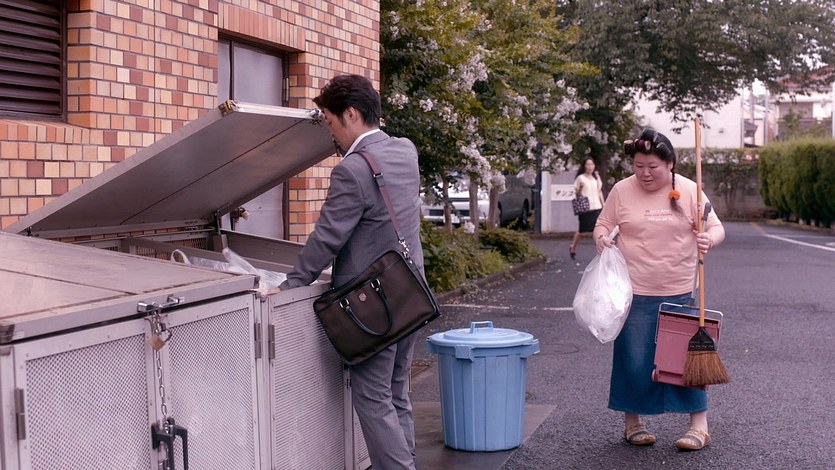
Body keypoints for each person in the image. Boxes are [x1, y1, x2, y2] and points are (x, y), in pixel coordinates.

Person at [277, 74, 424, 469]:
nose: (331, 134)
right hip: (411, 290)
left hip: (373, 303)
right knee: (396, 389)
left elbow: (327, 238)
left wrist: (291, 285)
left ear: (352, 114)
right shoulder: (405, 150)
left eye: (329, 121)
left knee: (372, 395)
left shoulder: (352, 170)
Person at [593, 128, 725, 451]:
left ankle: (699, 426)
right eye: (639, 166)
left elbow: (716, 227)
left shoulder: (690, 190)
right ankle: (633, 423)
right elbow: (603, 224)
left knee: (687, 358)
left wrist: (709, 239)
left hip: (680, 290)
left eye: (652, 166)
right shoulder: (622, 191)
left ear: (670, 164)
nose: (645, 173)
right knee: (634, 358)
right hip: (635, 290)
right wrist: (601, 239)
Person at [570, 156, 605, 260]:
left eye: (592, 164)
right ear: (584, 166)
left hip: (597, 207)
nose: (590, 167)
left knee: (598, 230)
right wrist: (580, 187)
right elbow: (577, 194)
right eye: (588, 164)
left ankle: (600, 252)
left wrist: (603, 203)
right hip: (585, 208)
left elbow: (599, 191)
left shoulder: (596, 177)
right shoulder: (581, 178)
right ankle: (573, 248)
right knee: (581, 232)